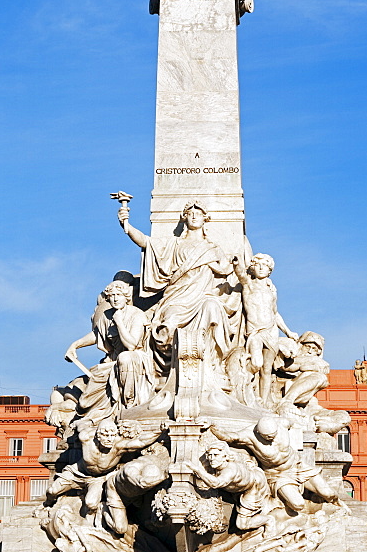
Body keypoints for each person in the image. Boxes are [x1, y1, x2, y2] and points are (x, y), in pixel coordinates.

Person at [118, 200, 234, 370]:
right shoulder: (173, 244)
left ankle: (213, 363)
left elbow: (226, 268)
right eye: (190, 213)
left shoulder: (212, 248)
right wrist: (126, 224)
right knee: (168, 326)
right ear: (184, 218)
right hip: (177, 297)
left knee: (212, 307)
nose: (194, 216)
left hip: (202, 296)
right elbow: (145, 242)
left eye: (198, 214)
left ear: (205, 219)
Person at [209, 415, 345, 512]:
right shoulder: (250, 436)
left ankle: (339, 506)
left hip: (297, 466)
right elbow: (229, 436)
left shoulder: (282, 423)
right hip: (278, 475)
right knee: (298, 505)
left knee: (328, 493)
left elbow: (297, 423)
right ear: (258, 432)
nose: (272, 438)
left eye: (273, 434)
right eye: (267, 437)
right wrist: (212, 425)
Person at [65, 280, 154, 417]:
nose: (115, 298)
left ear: (126, 296)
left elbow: (131, 345)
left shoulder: (137, 315)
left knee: (125, 358)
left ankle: (128, 406)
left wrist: (119, 323)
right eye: (112, 296)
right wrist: (75, 345)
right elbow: (97, 334)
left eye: (119, 294)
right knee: (84, 404)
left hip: (135, 360)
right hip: (112, 363)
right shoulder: (107, 316)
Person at [46, 418, 164, 519]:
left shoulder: (118, 446)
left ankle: (90, 520)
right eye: (105, 435)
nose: (109, 439)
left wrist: (160, 430)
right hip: (77, 472)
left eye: (112, 435)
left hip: (98, 479)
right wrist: (76, 423)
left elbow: (140, 442)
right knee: (52, 491)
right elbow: (82, 424)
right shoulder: (86, 438)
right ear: (97, 435)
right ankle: (48, 505)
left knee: (91, 504)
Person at [232, 253, 298, 405]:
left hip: (271, 330)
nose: (261, 268)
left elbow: (274, 313)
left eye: (265, 266)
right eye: (258, 265)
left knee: (267, 369)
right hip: (255, 331)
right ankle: (243, 387)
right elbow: (241, 274)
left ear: (270, 270)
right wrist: (236, 264)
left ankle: (263, 401)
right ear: (253, 268)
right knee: (256, 363)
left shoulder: (271, 290)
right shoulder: (249, 284)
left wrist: (288, 332)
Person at [187, 443, 275, 536]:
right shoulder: (221, 463)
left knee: (242, 525)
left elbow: (216, 483)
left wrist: (196, 469)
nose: (212, 458)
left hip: (253, 488)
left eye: (216, 455)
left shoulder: (230, 470)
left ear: (224, 456)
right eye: (210, 455)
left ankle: (269, 521)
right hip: (241, 484)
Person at [277, 332, 330, 408]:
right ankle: (287, 400)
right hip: (283, 386)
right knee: (316, 375)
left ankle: (289, 400)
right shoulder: (290, 356)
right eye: (307, 347)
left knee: (321, 378)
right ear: (301, 346)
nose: (310, 351)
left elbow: (325, 370)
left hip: (302, 390)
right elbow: (284, 367)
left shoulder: (319, 363)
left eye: (314, 349)